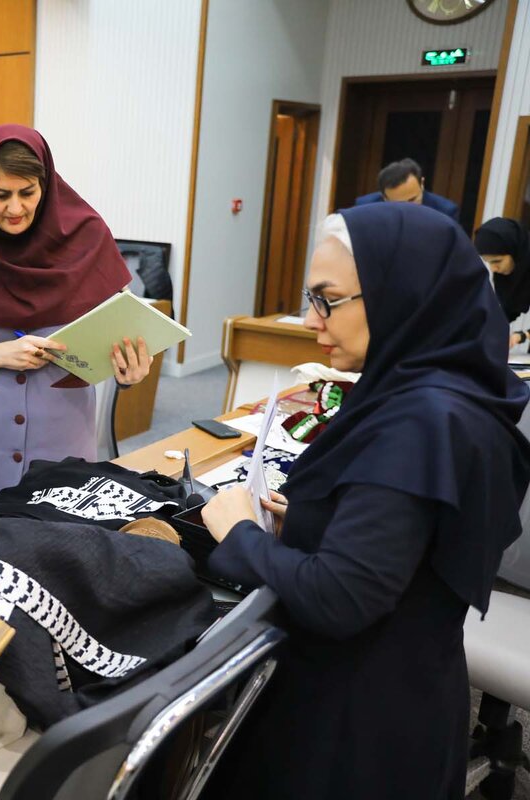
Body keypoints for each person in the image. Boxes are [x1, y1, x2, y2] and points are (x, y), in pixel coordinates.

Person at [199, 203, 530, 799]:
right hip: (411, 685)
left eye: (328, 300)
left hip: (355, 724)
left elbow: (340, 598)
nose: (310, 318)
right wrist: (324, 518)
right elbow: (415, 540)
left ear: (401, 294)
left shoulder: (418, 423)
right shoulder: (449, 391)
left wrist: (240, 531)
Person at [0, 124, 152, 507]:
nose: (15, 209)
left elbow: (122, 338)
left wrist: (131, 372)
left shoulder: (87, 239)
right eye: (0, 195)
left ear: (46, 185)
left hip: (65, 449)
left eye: (28, 192)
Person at [474, 216, 530, 352]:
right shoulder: (510, 274)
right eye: (488, 262)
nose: (493, 269)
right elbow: (507, 310)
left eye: (497, 261)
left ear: (515, 251)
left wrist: (523, 335)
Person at [354, 157, 460, 221]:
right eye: (397, 204)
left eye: (412, 200)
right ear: (384, 197)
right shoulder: (364, 207)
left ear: (422, 184)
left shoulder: (445, 211)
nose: (406, 208)